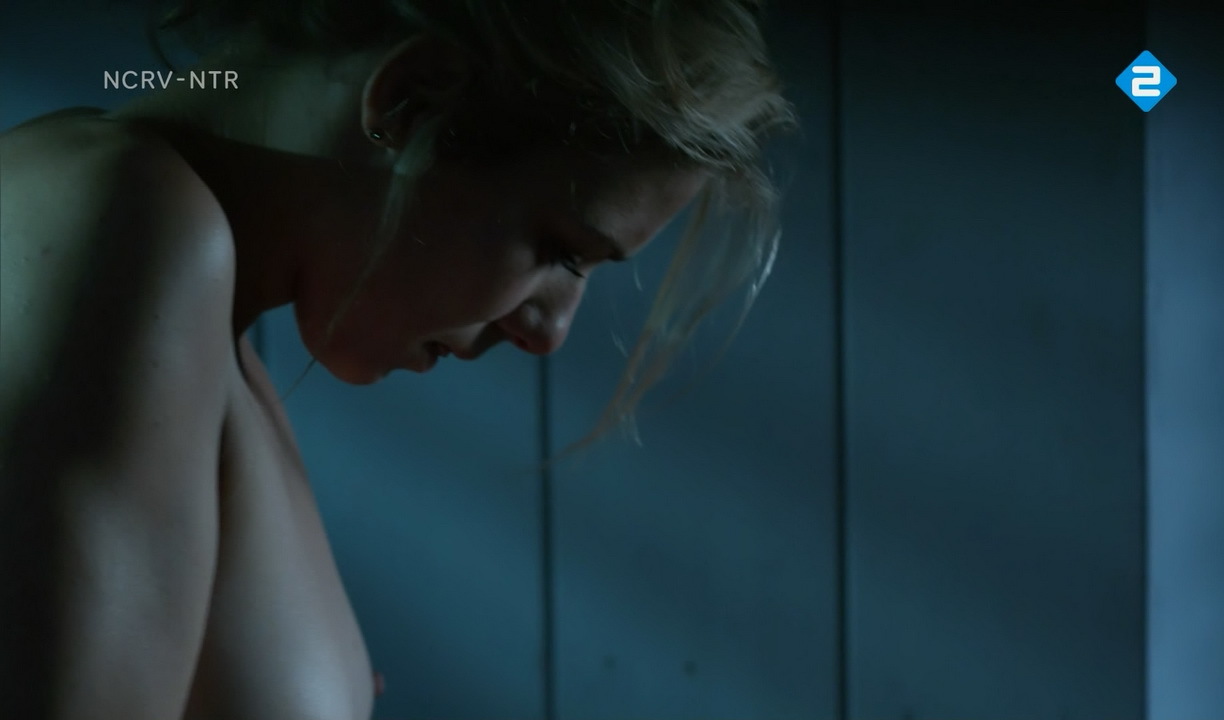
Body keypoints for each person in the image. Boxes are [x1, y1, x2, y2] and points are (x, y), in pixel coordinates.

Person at [0, 1, 795, 717]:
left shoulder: (207, 335)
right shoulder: (122, 225)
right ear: (409, 99)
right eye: (559, 249)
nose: (548, 331)